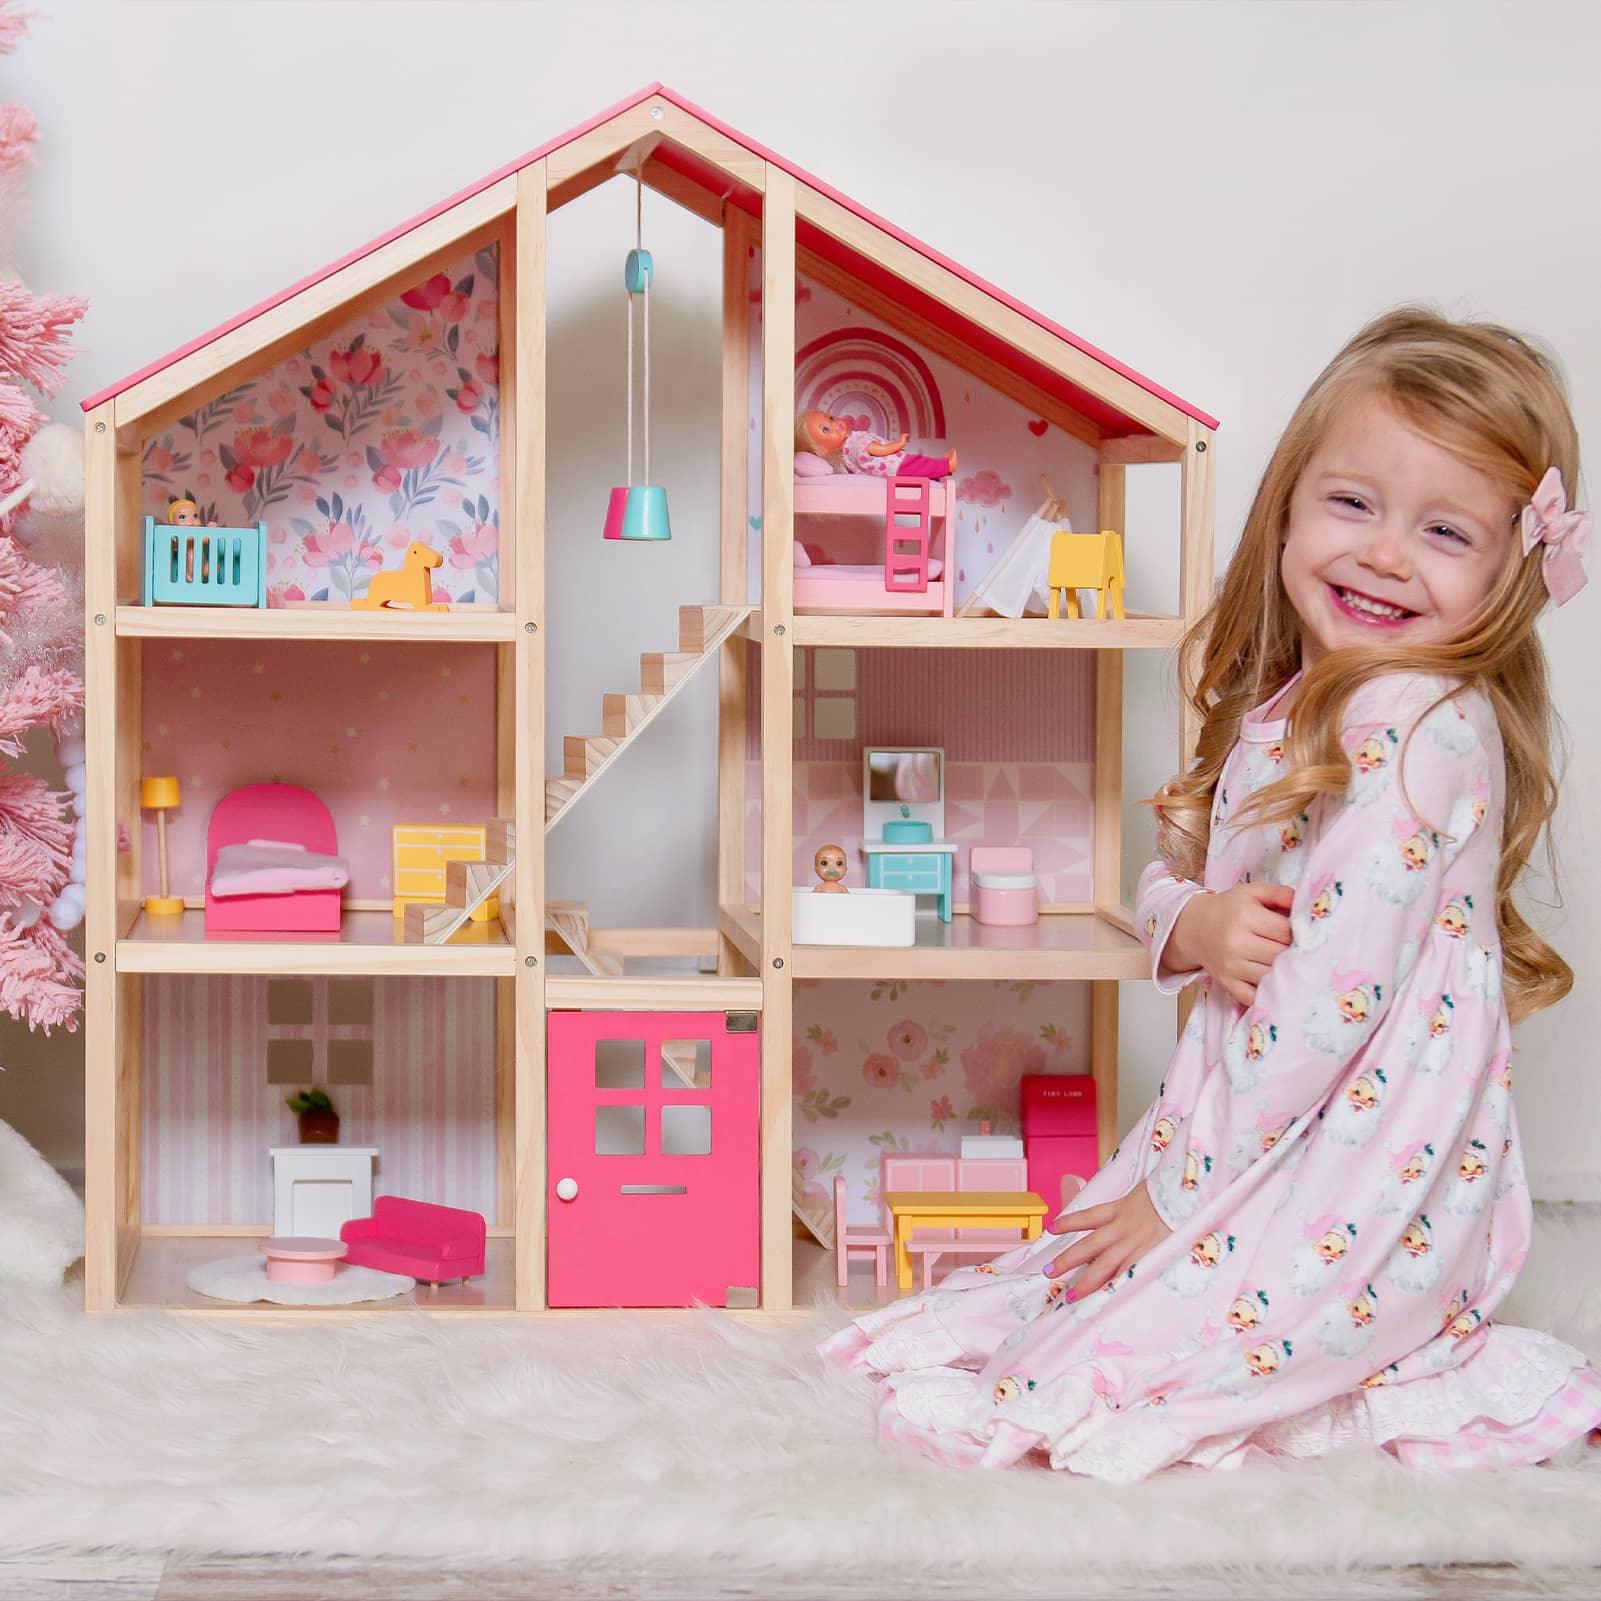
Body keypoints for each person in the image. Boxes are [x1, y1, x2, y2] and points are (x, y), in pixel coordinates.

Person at [818, 307, 1601, 1482]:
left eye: (1442, 530)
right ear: (1286, 506)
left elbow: (1331, 1000)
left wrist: (1182, 1191)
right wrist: (1189, 920)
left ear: (1508, 569)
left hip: (1344, 1136)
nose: (1385, 554)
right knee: (1082, 1283)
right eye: (1351, 503)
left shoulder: (1416, 725)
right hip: (1254, 1104)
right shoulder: (1311, 696)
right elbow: (1180, 867)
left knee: (1134, 1339)